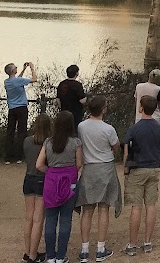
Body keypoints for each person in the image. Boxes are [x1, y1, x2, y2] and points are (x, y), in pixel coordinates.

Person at [121, 94, 160, 256]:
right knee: (151, 205)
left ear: (141, 108)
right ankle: (147, 241)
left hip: (137, 169)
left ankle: (132, 244)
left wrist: (126, 168)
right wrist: (159, 164)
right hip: (153, 168)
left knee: (136, 207)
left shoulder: (135, 128)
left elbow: (127, 150)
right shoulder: (159, 127)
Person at [77, 95, 121, 262]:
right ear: (103, 109)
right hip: (105, 168)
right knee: (104, 207)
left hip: (89, 168)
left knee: (87, 210)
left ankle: (84, 249)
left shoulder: (81, 126)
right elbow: (115, 146)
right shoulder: (108, 129)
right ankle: (101, 248)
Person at [36, 111, 83, 263]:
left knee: (50, 219)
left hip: (51, 182)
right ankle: (61, 256)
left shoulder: (48, 142)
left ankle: (50, 256)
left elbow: (39, 164)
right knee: (65, 219)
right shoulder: (75, 143)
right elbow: (79, 164)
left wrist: (51, 172)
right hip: (69, 182)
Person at [23, 114, 52, 263]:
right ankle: (33, 256)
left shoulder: (27, 141)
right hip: (41, 178)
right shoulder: (48, 143)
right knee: (38, 219)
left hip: (28, 178)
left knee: (29, 217)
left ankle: (28, 251)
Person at [5, 61, 37, 164]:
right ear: (13, 70)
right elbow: (34, 79)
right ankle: (20, 156)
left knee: (10, 132)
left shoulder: (7, 82)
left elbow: (17, 79)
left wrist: (23, 69)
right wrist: (32, 68)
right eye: (15, 67)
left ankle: (8, 157)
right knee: (21, 131)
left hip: (12, 109)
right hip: (21, 108)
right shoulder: (18, 80)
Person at [56, 65, 87, 132]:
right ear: (76, 73)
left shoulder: (61, 84)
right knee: (75, 131)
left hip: (64, 112)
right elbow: (82, 100)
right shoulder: (78, 85)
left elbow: (58, 100)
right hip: (76, 114)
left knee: (64, 131)